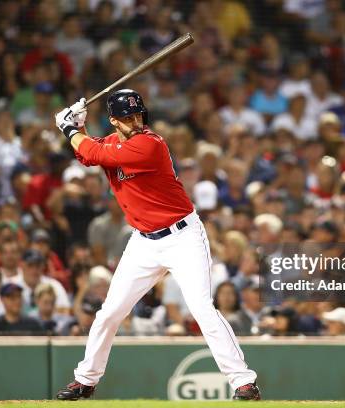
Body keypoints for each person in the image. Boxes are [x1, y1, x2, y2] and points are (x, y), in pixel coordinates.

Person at [54, 89, 259, 400]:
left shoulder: (150, 144)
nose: (135, 121)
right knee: (110, 312)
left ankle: (243, 382)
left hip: (182, 237)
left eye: (138, 115)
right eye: (127, 117)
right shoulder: (111, 142)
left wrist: (69, 127)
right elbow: (86, 154)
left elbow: (94, 154)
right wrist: (78, 128)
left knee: (202, 309)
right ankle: (86, 379)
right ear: (113, 120)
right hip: (143, 242)